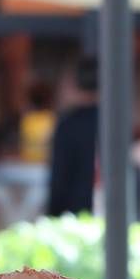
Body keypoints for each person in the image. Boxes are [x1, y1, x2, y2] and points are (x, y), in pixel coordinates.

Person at [45, 58, 100, 217]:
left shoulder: (67, 125)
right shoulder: (114, 124)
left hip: (74, 214)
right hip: (111, 212)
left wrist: (53, 216)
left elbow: (59, 178)